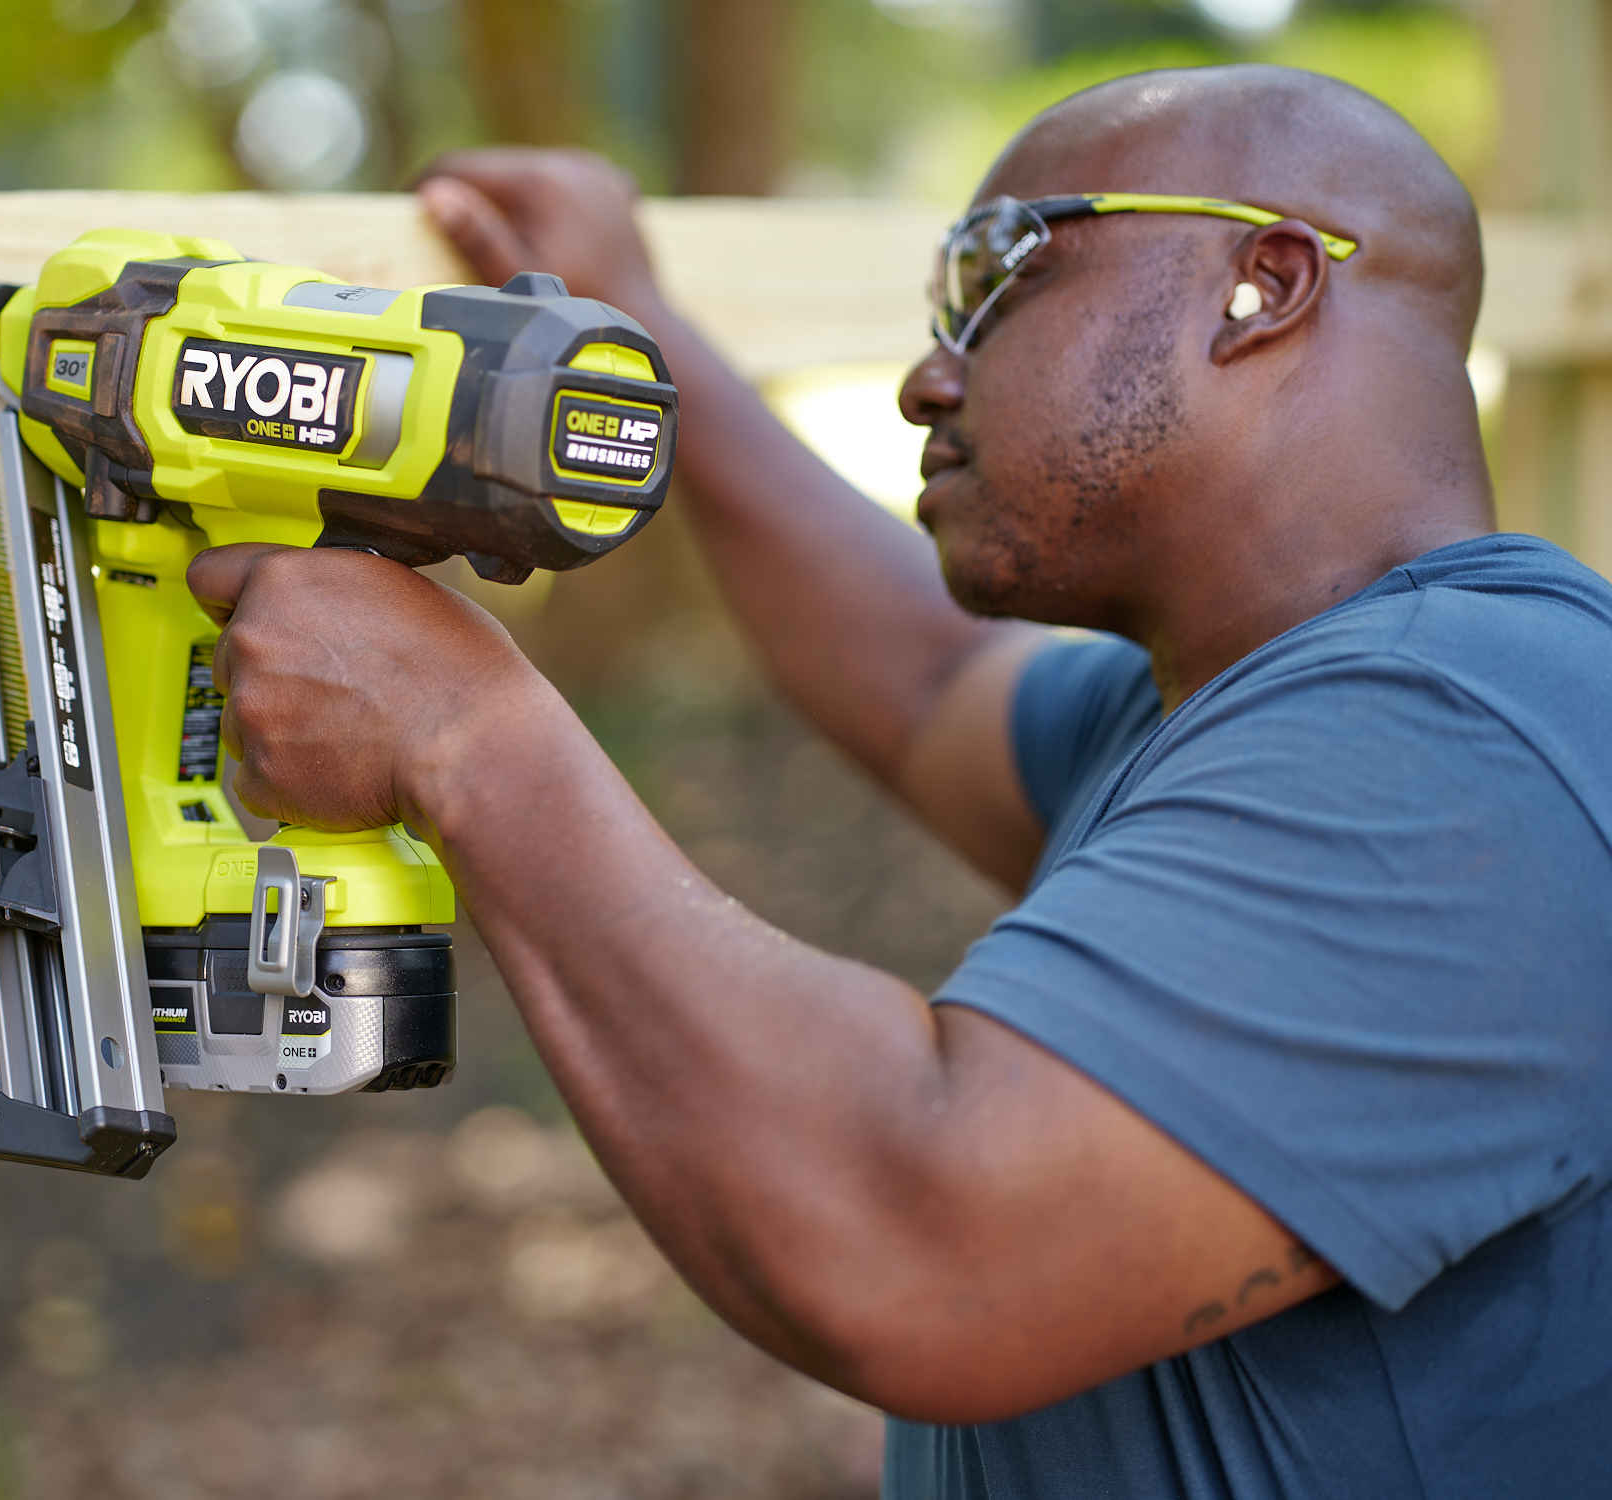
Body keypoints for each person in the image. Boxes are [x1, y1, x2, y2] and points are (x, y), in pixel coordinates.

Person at [188, 65, 1612, 1497]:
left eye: (993, 278)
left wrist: (463, 734)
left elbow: (921, 1238)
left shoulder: (1459, 739)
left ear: (1264, 284)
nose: (928, 372)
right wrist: (643, 332)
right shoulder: (1241, 700)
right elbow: (925, 684)